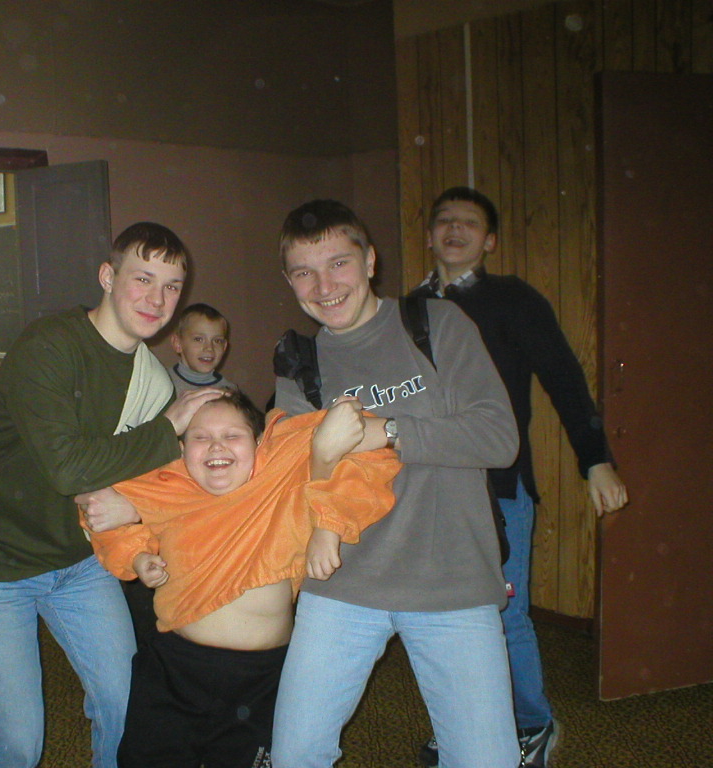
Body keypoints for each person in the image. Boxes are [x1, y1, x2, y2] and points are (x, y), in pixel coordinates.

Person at [0, 221, 223, 768]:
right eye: (142, 278)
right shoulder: (48, 347)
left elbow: (152, 481)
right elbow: (69, 469)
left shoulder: (152, 382)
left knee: (126, 708)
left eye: (171, 286)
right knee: (15, 743)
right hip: (1, 559)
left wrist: (138, 500)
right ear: (107, 277)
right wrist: (167, 428)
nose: (156, 299)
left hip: (81, 559)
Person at [269, 199, 522, 768]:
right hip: (343, 583)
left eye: (339, 263)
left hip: (452, 580)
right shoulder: (300, 363)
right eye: (304, 272)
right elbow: (292, 478)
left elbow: (498, 437)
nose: (324, 286)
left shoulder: (436, 324)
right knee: (295, 755)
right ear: (290, 282)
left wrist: (386, 432)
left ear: (370, 261)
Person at [409, 186, 629, 768]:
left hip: (500, 491)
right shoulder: (408, 310)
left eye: (470, 223)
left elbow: (564, 377)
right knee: (437, 619)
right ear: (429, 235)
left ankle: (531, 724)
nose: (455, 229)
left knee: (504, 615)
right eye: (445, 221)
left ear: (489, 241)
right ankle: (462, 723)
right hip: (428, 492)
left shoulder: (514, 300)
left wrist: (594, 458)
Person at [88, 390, 401, 768]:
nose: (216, 446)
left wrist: (329, 523)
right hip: (174, 668)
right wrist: (137, 555)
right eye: (200, 437)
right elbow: (97, 506)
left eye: (232, 435)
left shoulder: (283, 467)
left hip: (262, 678)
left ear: (259, 442)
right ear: (181, 449)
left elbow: (367, 451)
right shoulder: (167, 483)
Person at [168, 302, 237, 394]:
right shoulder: (161, 383)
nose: (209, 348)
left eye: (217, 341)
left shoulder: (228, 392)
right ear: (178, 344)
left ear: (224, 347)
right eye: (198, 339)